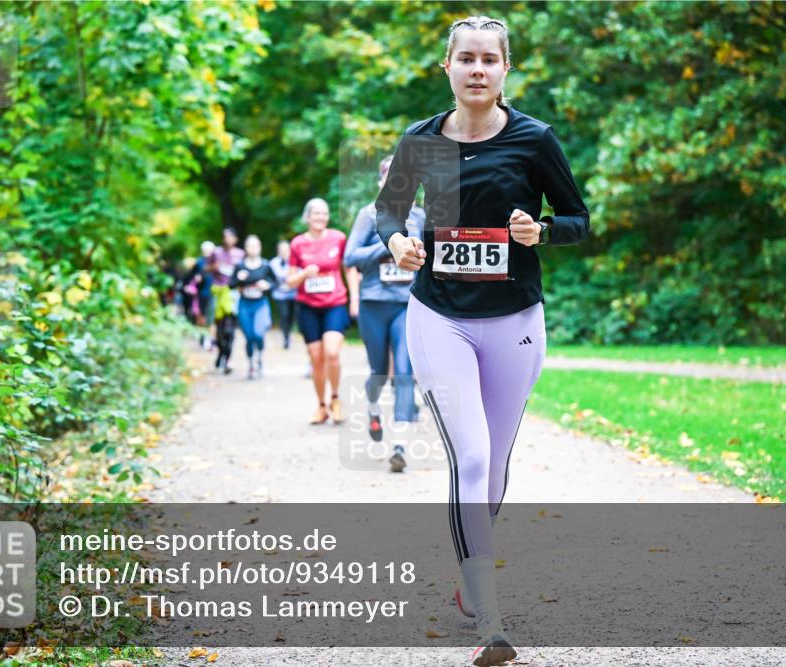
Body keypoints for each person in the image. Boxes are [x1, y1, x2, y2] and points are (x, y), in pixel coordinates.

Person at [375, 16, 590, 667]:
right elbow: (389, 208)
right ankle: (490, 613)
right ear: (447, 67)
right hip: (438, 315)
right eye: (464, 58)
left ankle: (473, 575)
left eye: (488, 59)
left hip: (515, 320)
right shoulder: (421, 140)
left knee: (494, 464)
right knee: (469, 456)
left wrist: (541, 233)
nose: (476, 69)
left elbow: (577, 219)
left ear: (503, 70)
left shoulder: (532, 140)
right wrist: (397, 241)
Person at [344, 155, 425, 473]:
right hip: (374, 304)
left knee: (405, 372)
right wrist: (389, 244)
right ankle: (374, 408)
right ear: (381, 182)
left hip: (408, 304)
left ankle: (400, 445)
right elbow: (351, 256)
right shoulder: (368, 215)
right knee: (379, 372)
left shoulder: (420, 216)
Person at [286, 198, 351, 425]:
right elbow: (290, 281)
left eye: (324, 213)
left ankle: (335, 399)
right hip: (308, 307)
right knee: (316, 358)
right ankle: (321, 406)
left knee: (332, 352)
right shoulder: (297, 244)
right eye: (316, 214)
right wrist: (304, 274)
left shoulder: (339, 238)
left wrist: (355, 300)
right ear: (307, 217)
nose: (321, 217)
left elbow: (349, 269)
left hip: (335, 303)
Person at [230, 235, 277, 379]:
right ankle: (251, 364)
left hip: (260, 304)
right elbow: (230, 284)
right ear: (246, 248)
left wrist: (267, 285)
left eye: (255, 246)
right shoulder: (240, 266)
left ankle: (260, 358)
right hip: (245, 304)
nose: (253, 249)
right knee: (249, 336)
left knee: (258, 333)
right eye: (250, 246)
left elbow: (275, 284)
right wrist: (239, 278)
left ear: (260, 247)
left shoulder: (265, 265)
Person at [209, 228, 245, 374]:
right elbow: (206, 269)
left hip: (233, 294)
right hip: (218, 293)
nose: (228, 239)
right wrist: (213, 267)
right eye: (225, 237)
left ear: (235, 239)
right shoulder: (216, 252)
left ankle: (227, 359)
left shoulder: (240, 254)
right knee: (219, 328)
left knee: (230, 330)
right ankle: (221, 353)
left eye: (231, 237)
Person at [269, 240, 298, 349]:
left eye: (286, 250)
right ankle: (285, 337)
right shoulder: (273, 263)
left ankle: (288, 333)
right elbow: (270, 279)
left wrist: (291, 285)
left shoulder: (295, 262)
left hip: (293, 294)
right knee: (284, 315)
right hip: (279, 295)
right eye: (282, 250)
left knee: (291, 316)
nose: (284, 252)